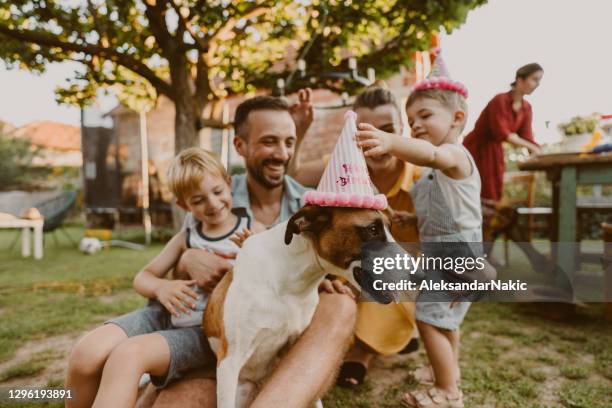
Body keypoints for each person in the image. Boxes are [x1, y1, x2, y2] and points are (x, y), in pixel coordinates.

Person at [137, 93, 358, 408]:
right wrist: (186, 260)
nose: (281, 153)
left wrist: (322, 273)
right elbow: (181, 282)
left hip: (285, 349)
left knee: (340, 304)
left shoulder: (309, 209)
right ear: (240, 146)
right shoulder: (212, 195)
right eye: (269, 142)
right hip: (226, 347)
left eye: (289, 142)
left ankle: (280, 397)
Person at [65, 148, 262, 408]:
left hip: (204, 332)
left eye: (217, 192)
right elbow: (142, 278)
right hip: (163, 315)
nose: (213, 204)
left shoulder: (252, 230)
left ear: (228, 184)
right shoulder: (185, 237)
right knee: (85, 352)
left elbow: (271, 282)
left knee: (126, 357)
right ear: (183, 205)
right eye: (198, 200)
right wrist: (161, 288)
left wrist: (257, 252)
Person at [356, 76, 481, 407]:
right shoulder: (435, 173)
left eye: (425, 116)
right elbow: (444, 214)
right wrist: (413, 221)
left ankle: (448, 392)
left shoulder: (454, 156)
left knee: (429, 319)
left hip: (454, 258)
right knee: (445, 321)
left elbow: (430, 155)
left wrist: (390, 140)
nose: (416, 125)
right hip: (451, 255)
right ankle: (445, 370)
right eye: (411, 121)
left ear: (457, 118)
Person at [290, 86, 421, 388]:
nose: (375, 141)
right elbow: (293, 176)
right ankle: (380, 340)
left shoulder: (421, 177)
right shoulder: (343, 166)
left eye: (386, 130)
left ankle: (362, 353)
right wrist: (300, 130)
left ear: (401, 130)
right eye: (366, 133)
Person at [463, 63, 543, 203]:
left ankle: (489, 224)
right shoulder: (500, 100)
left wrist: (539, 152)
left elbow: (527, 137)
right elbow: (502, 133)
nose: (537, 84)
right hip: (476, 149)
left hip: (495, 152)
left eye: (539, 80)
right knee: (475, 189)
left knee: (493, 192)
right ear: (520, 80)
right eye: (534, 79)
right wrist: (532, 148)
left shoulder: (526, 108)